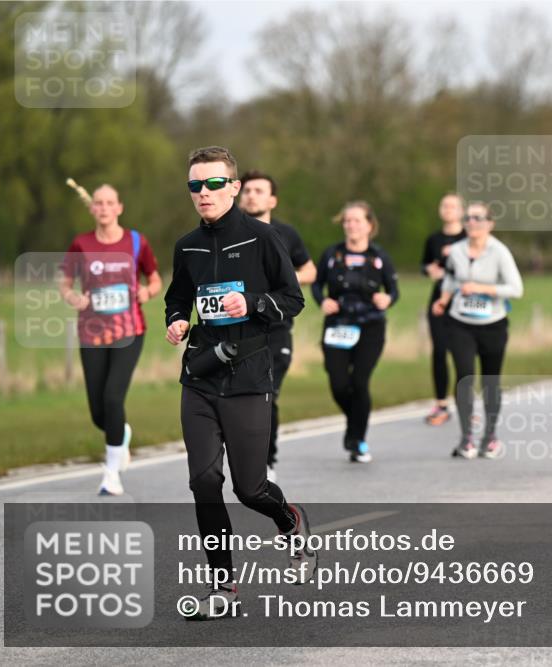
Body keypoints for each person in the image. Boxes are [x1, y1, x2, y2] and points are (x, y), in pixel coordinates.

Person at [164, 146, 312, 619]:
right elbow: (177, 298)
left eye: (212, 184)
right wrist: (176, 322)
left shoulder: (263, 238)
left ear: (232, 187)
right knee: (205, 482)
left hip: (248, 377)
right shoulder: (185, 245)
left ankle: (290, 520)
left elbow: (292, 299)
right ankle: (222, 589)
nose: (202, 194)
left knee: (249, 489)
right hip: (201, 377)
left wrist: (251, 304)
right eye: (194, 185)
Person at [60, 184, 162, 496]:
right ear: (92, 209)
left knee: (113, 397)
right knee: (98, 411)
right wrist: (73, 297)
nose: (104, 208)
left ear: (119, 208)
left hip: (129, 331)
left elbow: (155, 278)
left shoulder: (135, 242)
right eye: (99, 203)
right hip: (92, 332)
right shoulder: (81, 244)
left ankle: (111, 473)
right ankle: (121, 434)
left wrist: (146, 291)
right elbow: (64, 282)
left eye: (110, 203)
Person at [238, 170, 317, 483]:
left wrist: (282, 282)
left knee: (266, 393)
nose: (251, 195)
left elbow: (309, 270)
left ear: (272, 199)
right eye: (246, 190)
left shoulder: (286, 234)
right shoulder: (228, 233)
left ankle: (267, 462)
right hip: (238, 328)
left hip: (276, 328)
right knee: (241, 397)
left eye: (258, 190)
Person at [431, 201, 523, 459]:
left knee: (490, 381)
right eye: (469, 218)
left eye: (478, 218)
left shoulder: (499, 252)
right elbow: (450, 278)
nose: (472, 222)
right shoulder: (456, 251)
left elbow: (516, 289)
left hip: (493, 324)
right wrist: (444, 299)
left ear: (489, 224)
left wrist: (482, 289)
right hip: (460, 322)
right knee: (464, 378)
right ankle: (466, 439)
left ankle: (490, 436)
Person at [313, 201, 400, 463]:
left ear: (369, 225)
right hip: (338, 325)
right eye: (347, 221)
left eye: (357, 220)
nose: (351, 225)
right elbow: (317, 285)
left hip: (370, 327)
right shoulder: (332, 255)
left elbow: (394, 290)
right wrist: (323, 301)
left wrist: (388, 300)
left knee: (360, 382)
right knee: (339, 383)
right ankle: (356, 421)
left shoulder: (379, 257)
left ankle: (357, 439)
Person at [421, 193, 466, 426]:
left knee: (462, 353)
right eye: (444, 206)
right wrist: (430, 270)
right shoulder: (434, 239)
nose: (448, 210)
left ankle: (464, 402)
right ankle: (440, 403)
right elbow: (425, 264)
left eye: (452, 206)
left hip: (464, 302)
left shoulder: (469, 237)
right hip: (439, 301)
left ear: (461, 211)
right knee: (439, 351)